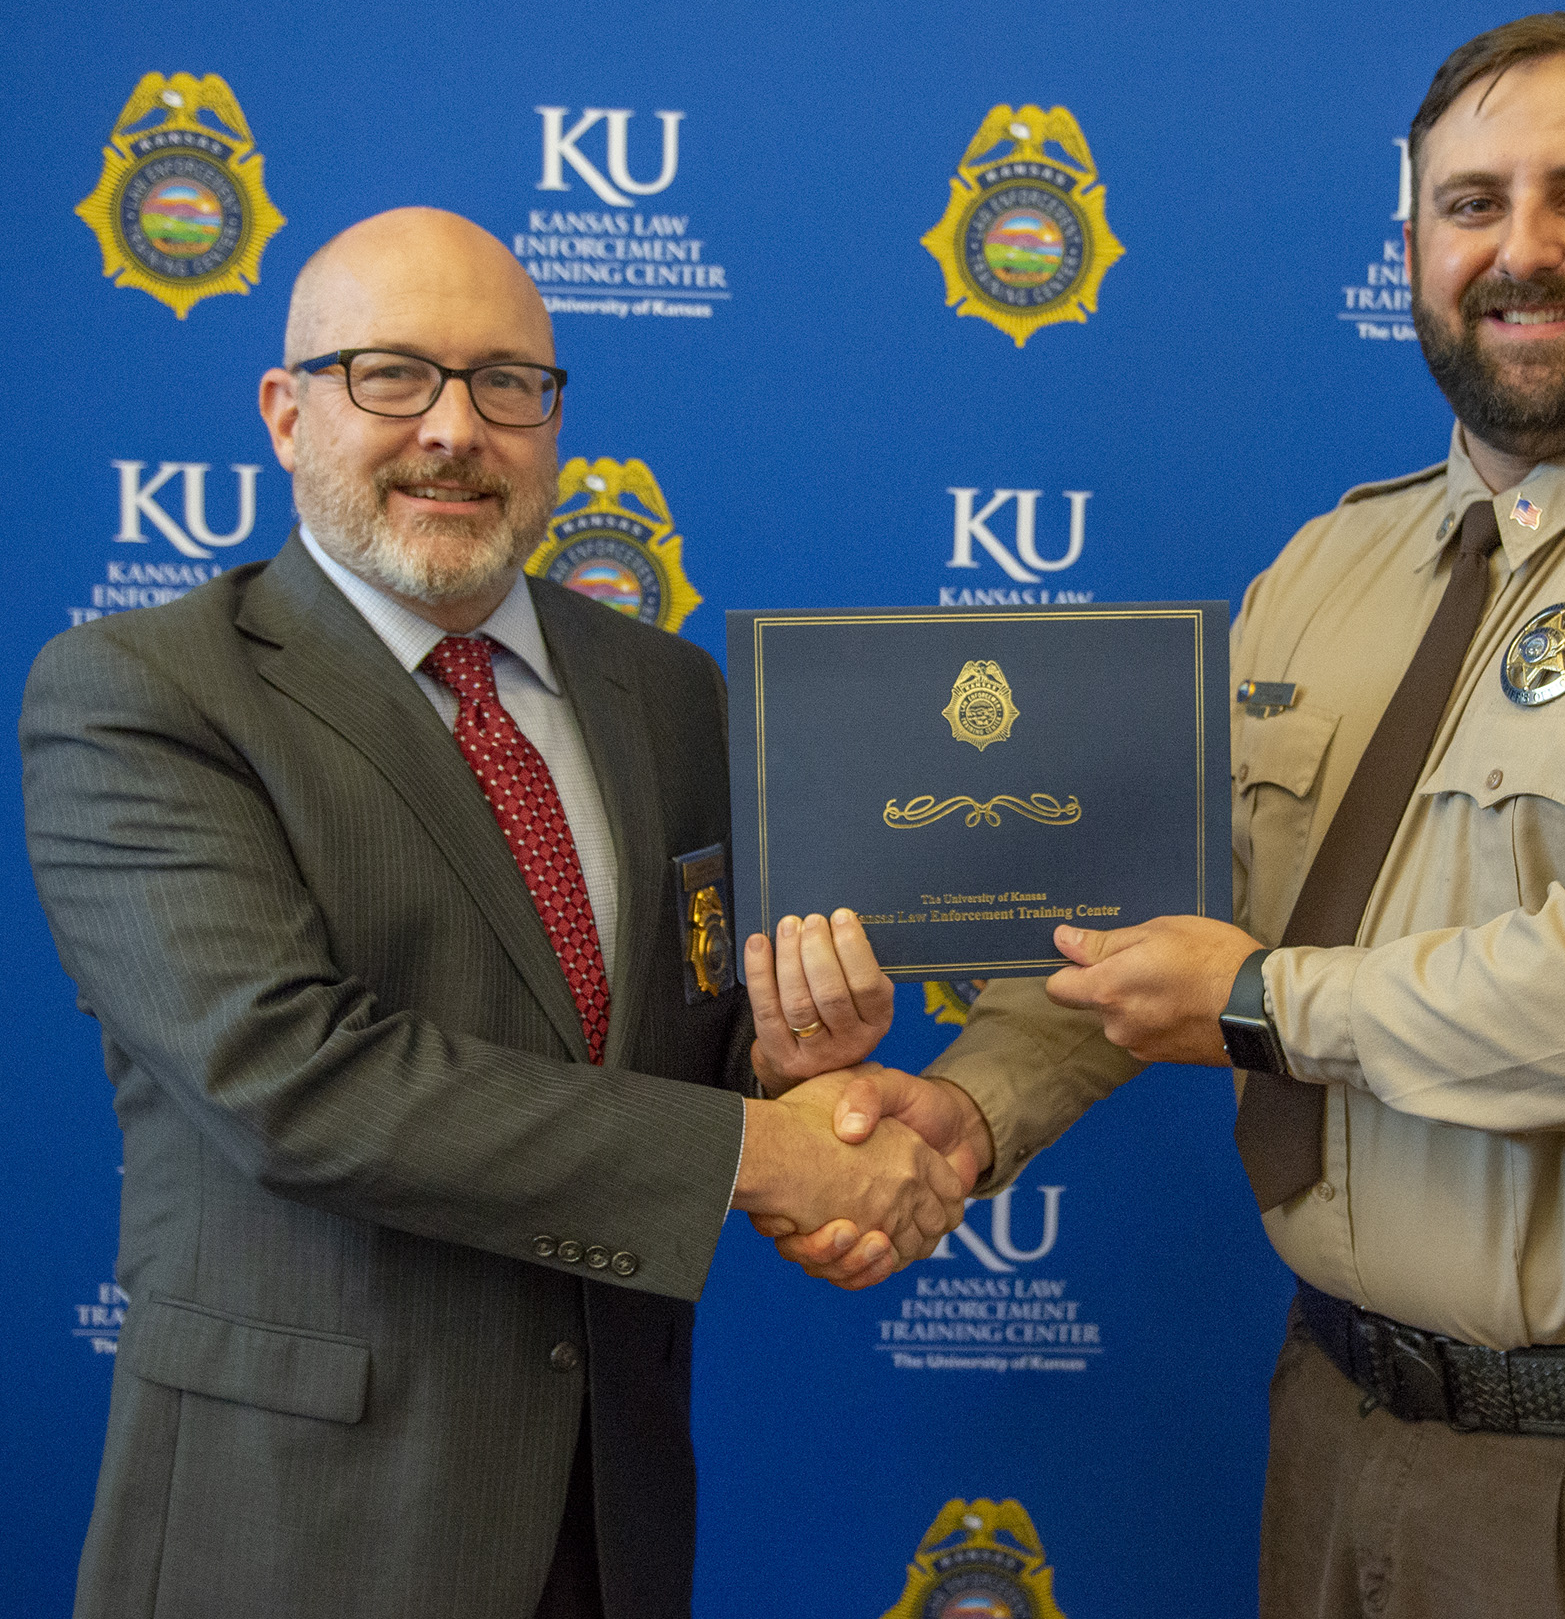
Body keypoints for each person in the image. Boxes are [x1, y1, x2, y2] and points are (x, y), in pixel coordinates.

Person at [766, 15, 1565, 1618]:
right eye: (1472, 203)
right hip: (1338, 1423)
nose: (1524, 249)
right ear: (1412, 247)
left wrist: (1266, 1006)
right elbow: (1164, 917)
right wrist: (974, 1111)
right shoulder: (1327, 572)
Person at [20, 207, 956, 1619]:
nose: (455, 429)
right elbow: (291, 1080)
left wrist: (794, 1069)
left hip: (610, 1513)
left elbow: (663, 1055)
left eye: (507, 383)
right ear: (285, 413)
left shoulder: (667, 693)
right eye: (390, 375)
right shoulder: (143, 693)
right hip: (296, 1525)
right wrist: (762, 1153)